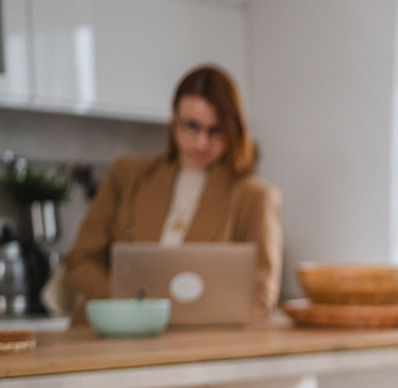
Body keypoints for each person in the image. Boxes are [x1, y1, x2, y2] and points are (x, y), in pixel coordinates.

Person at [63, 64, 282, 318]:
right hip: (116, 332)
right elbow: (80, 262)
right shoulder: (126, 175)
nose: (202, 142)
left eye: (215, 131)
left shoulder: (254, 197)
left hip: (198, 342)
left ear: (233, 128)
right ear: (174, 117)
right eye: (192, 126)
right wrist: (131, 305)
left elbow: (261, 296)